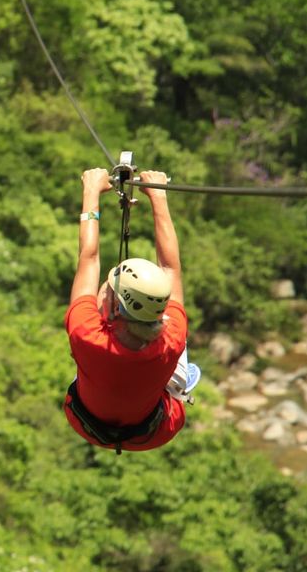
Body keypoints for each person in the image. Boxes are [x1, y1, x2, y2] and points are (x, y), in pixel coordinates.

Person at [62, 168, 199, 452]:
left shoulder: (86, 334)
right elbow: (170, 268)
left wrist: (91, 192)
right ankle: (177, 386)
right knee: (177, 341)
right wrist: (158, 197)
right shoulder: (171, 336)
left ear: (111, 307)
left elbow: (88, 258)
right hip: (152, 430)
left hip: (88, 424)